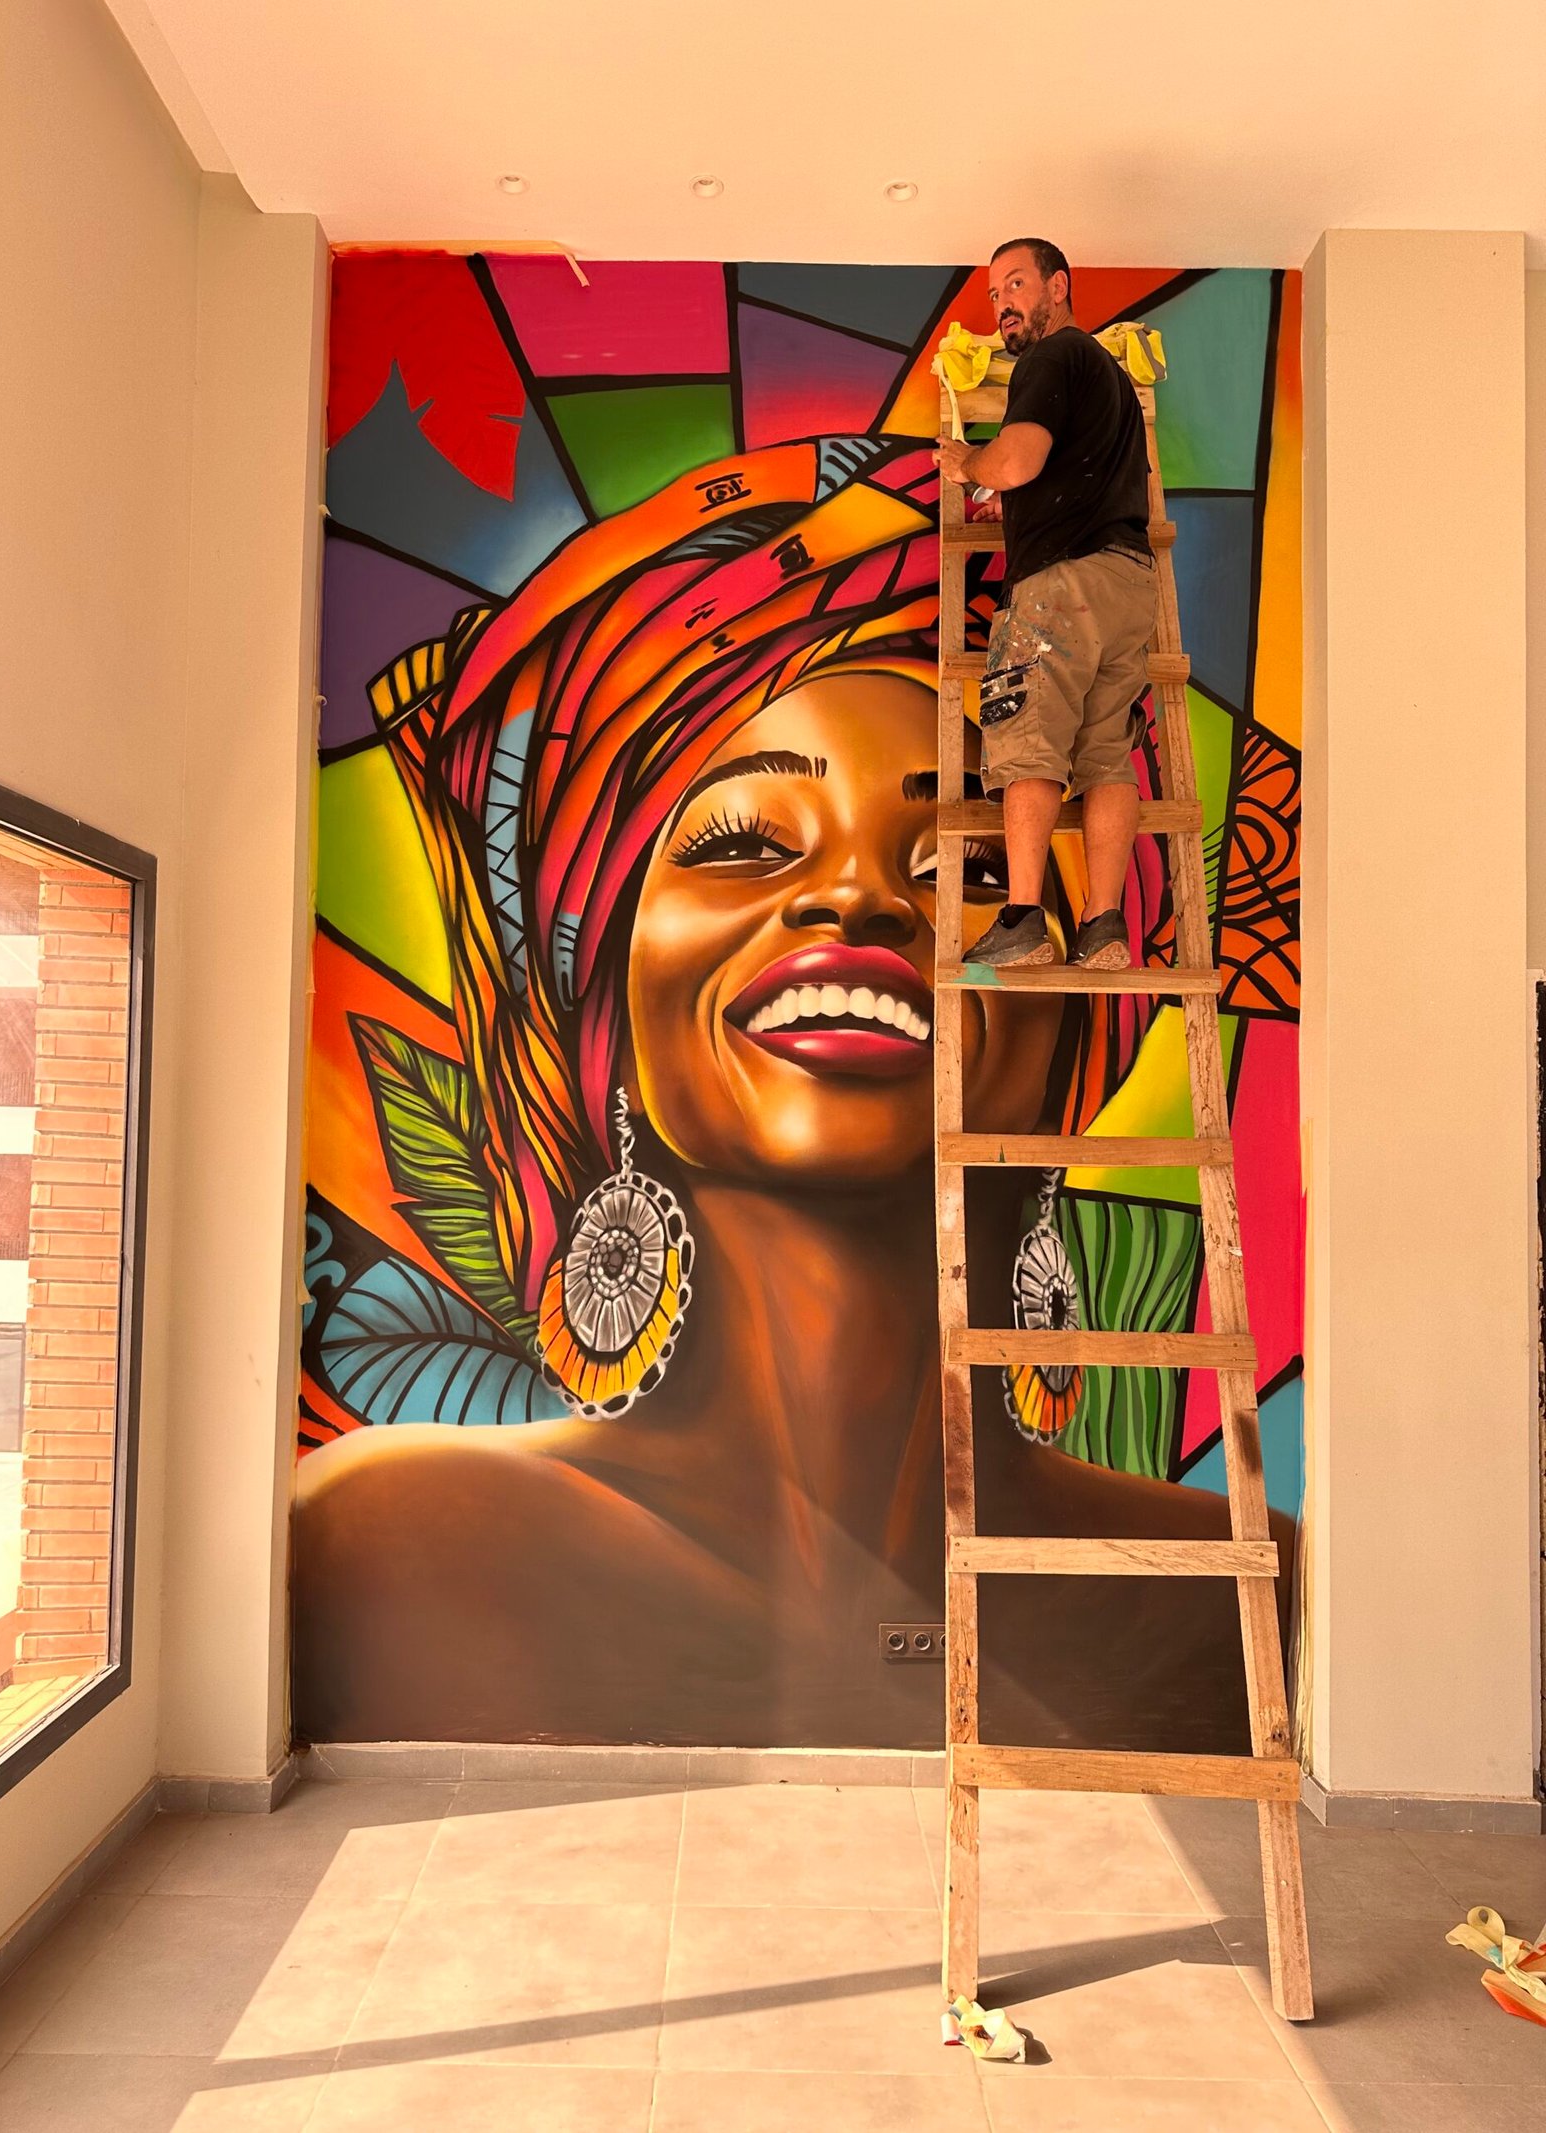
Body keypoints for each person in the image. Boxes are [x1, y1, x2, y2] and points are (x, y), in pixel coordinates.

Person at [292, 435, 1274, 1754]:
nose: (856, 900)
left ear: (1069, 1033)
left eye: (973, 867)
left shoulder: (1248, 1595)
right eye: (746, 841)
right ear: (604, 995)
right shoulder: (385, 1549)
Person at [935, 238, 1156, 973]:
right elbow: (1066, 474)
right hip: (1128, 586)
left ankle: (1024, 918)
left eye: (1016, 284)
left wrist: (969, 463)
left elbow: (1019, 458)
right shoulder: (1111, 380)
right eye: (995, 293)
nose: (1003, 304)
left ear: (1059, 286)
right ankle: (1103, 925)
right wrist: (1020, 503)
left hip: (1060, 591)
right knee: (1106, 756)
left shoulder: (1050, 357)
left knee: (1027, 741)